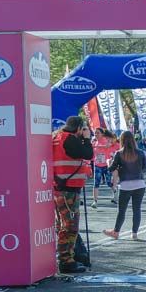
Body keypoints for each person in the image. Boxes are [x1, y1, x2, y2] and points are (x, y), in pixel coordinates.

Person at [52, 116, 94, 274]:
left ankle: (66, 256)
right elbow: (88, 154)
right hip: (68, 189)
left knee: (61, 225)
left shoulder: (56, 137)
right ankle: (66, 261)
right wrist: (86, 139)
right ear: (78, 128)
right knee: (70, 227)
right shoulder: (70, 139)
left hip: (58, 186)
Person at [103, 131, 146, 241]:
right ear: (133, 139)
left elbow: (111, 169)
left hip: (125, 185)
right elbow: (144, 169)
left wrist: (109, 162)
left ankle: (116, 232)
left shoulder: (119, 153)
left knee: (122, 210)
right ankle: (134, 233)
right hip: (140, 184)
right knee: (136, 209)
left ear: (122, 140)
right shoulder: (141, 153)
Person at [90, 128, 114, 209]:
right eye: (95, 133)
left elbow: (108, 145)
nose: (96, 134)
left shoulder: (106, 140)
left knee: (108, 182)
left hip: (106, 165)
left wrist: (96, 146)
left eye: (98, 133)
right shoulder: (94, 142)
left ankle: (115, 192)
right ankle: (95, 201)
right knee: (96, 183)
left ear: (102, 134)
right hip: (97, 165)